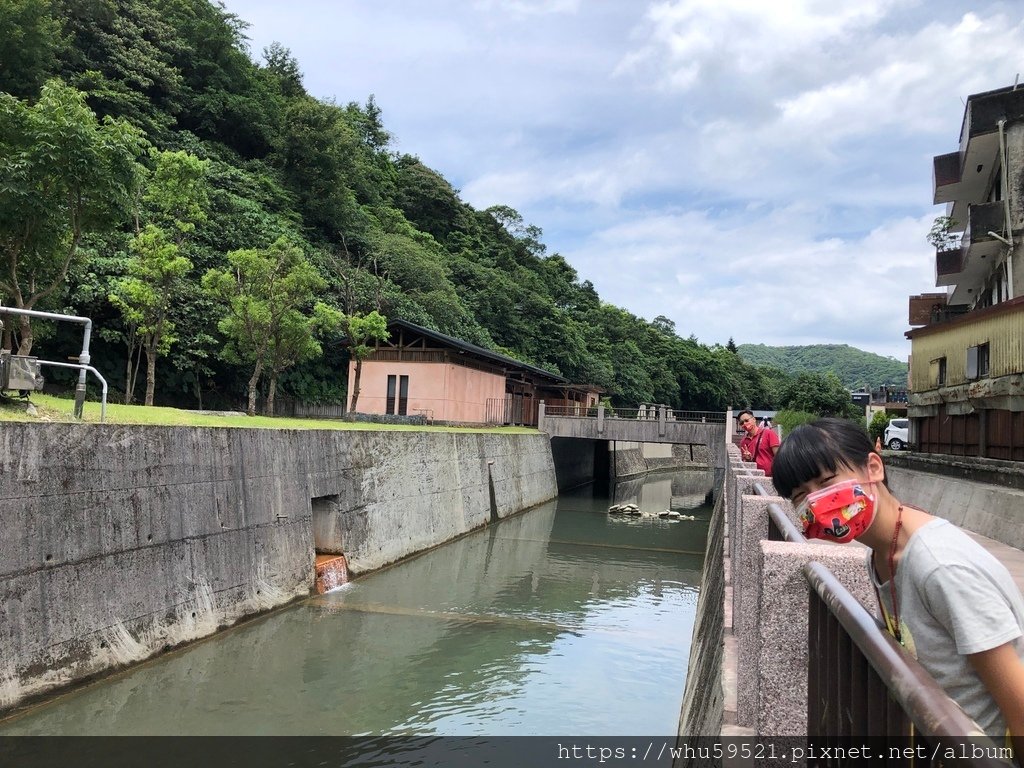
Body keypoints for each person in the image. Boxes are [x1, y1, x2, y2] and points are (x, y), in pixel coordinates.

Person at [772, 418, 1024, 743]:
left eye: (826, 482)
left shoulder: (940, 565)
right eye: (800, 497)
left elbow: (1018, 703)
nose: (816, 502)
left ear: (873, 468)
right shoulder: (880, 553)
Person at [737, 409, 780, 476]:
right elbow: (746, 464)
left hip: (771, 477)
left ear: (754, 419)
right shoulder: (743, 442)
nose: (745, 424)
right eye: (742, 423)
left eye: (746, 420)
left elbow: (779, 457)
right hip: (754, 478)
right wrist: (748, 459)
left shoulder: (769, 433)